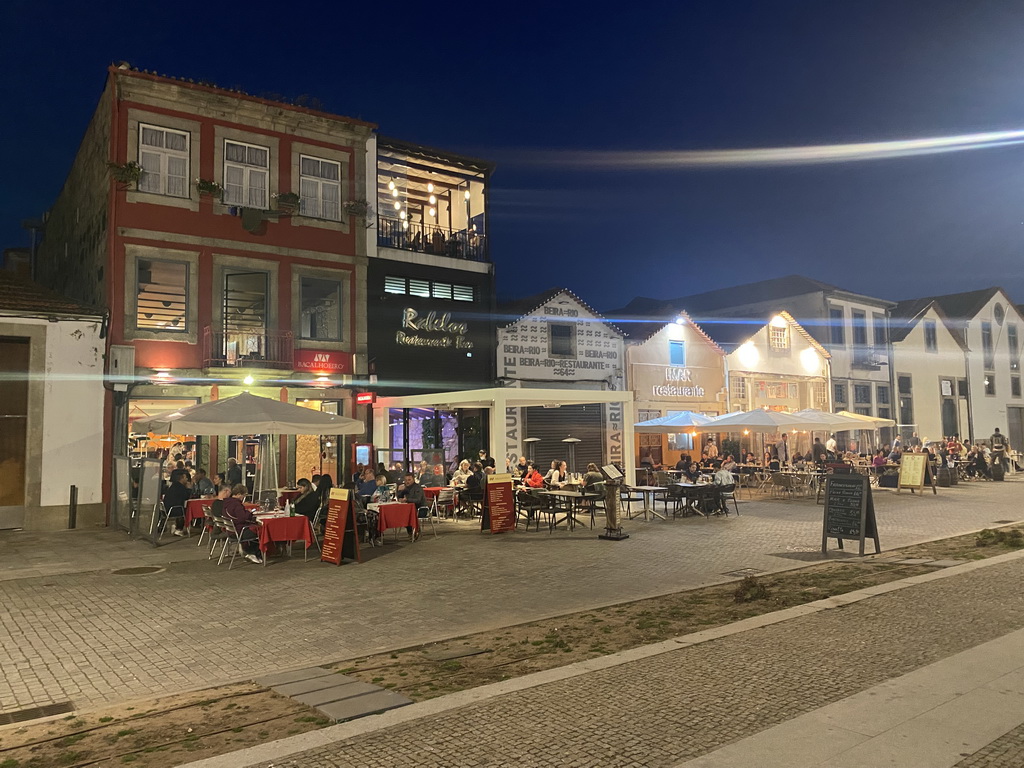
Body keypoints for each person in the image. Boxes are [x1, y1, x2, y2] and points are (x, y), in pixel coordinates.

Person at [222, 483, 262, 564]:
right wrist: (249, 513)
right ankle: (253, 552)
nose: (243, 498)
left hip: (231, 531)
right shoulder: (236, 504)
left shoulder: (226, 503)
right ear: (239, 494)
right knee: (261, 530)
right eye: (243, 496)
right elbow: (242, 518)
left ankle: (249, 551)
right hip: (240, 531)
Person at [395, 473, 425, 541]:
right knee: (401, 514)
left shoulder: (417, 488)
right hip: (409, 509)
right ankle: (411, 532)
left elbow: (418, 500)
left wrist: (407, 500)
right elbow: (399, 497)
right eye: (406, 480)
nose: (407, 482)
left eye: (409, 480)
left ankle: (414, 531)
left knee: (406, 515)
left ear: (413, 479)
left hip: (420, 509)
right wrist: (399, 491)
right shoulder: (405, 488)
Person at [162, 469, 192, 536]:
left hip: (167, 509)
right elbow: (186, 497)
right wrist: (189, 488)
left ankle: (175, 526)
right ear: (183, 477)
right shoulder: (180, 487)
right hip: (175, 510)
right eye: (186, 477)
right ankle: (179, 529)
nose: (187, 479)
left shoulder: (173, 486)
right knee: (189, 510)